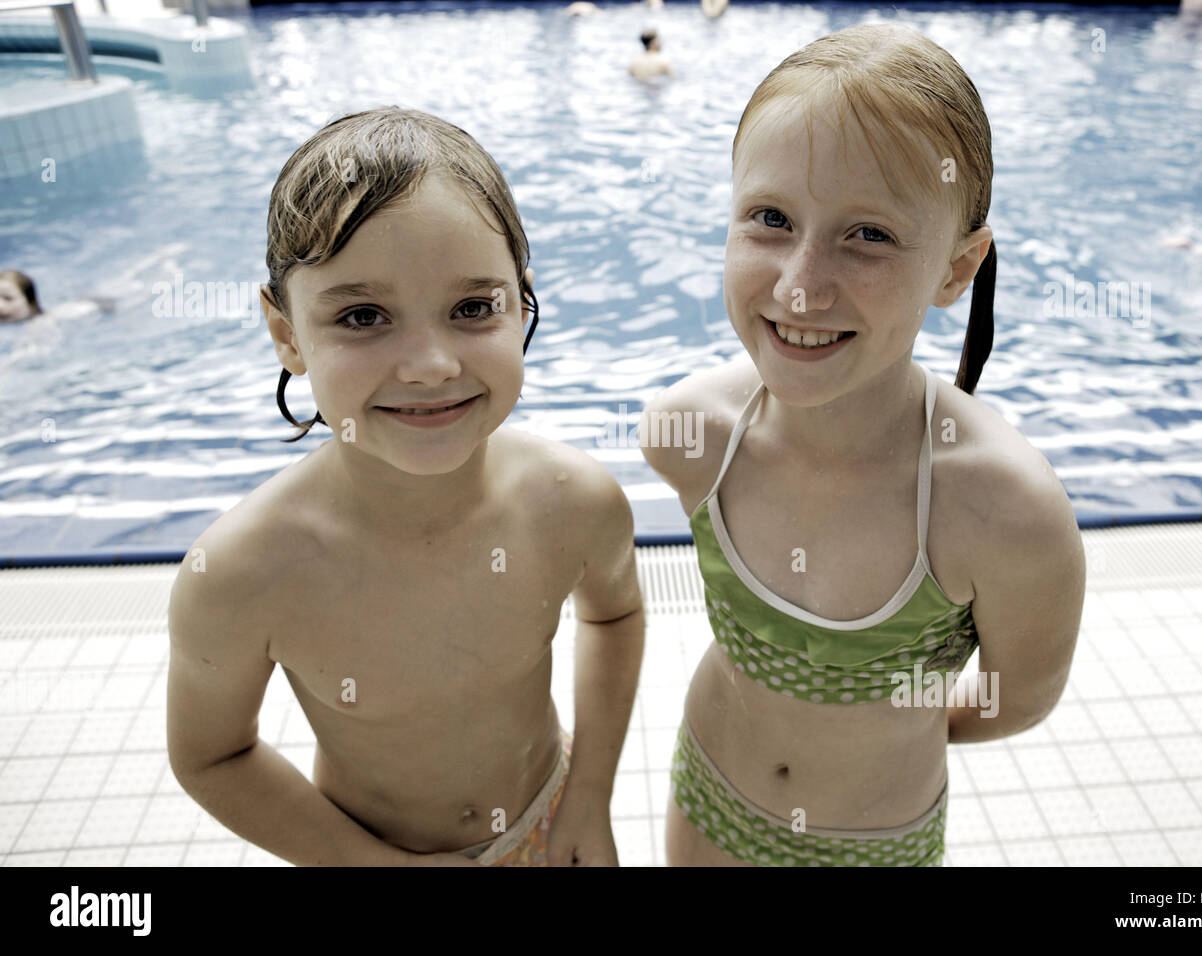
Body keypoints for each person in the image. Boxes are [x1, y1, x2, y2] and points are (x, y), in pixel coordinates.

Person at [641, 24, 1084, 866]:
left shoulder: (1001, 507)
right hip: (709, 795)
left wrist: (890, 728)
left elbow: (1016, 698)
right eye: (771, 218)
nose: (801, 287)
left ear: (957, 270)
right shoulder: (692, 437)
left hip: (874, 838)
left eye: (868, 235)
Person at [167, 107, 645, 867]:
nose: (430, 365)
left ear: (520, 300)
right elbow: (212, 757)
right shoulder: (242, 571)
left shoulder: (573, 503)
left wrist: (589, 794)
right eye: (363, 315)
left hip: (552, 821)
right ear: (287, 332)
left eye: (471, 309)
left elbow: (614, 616)